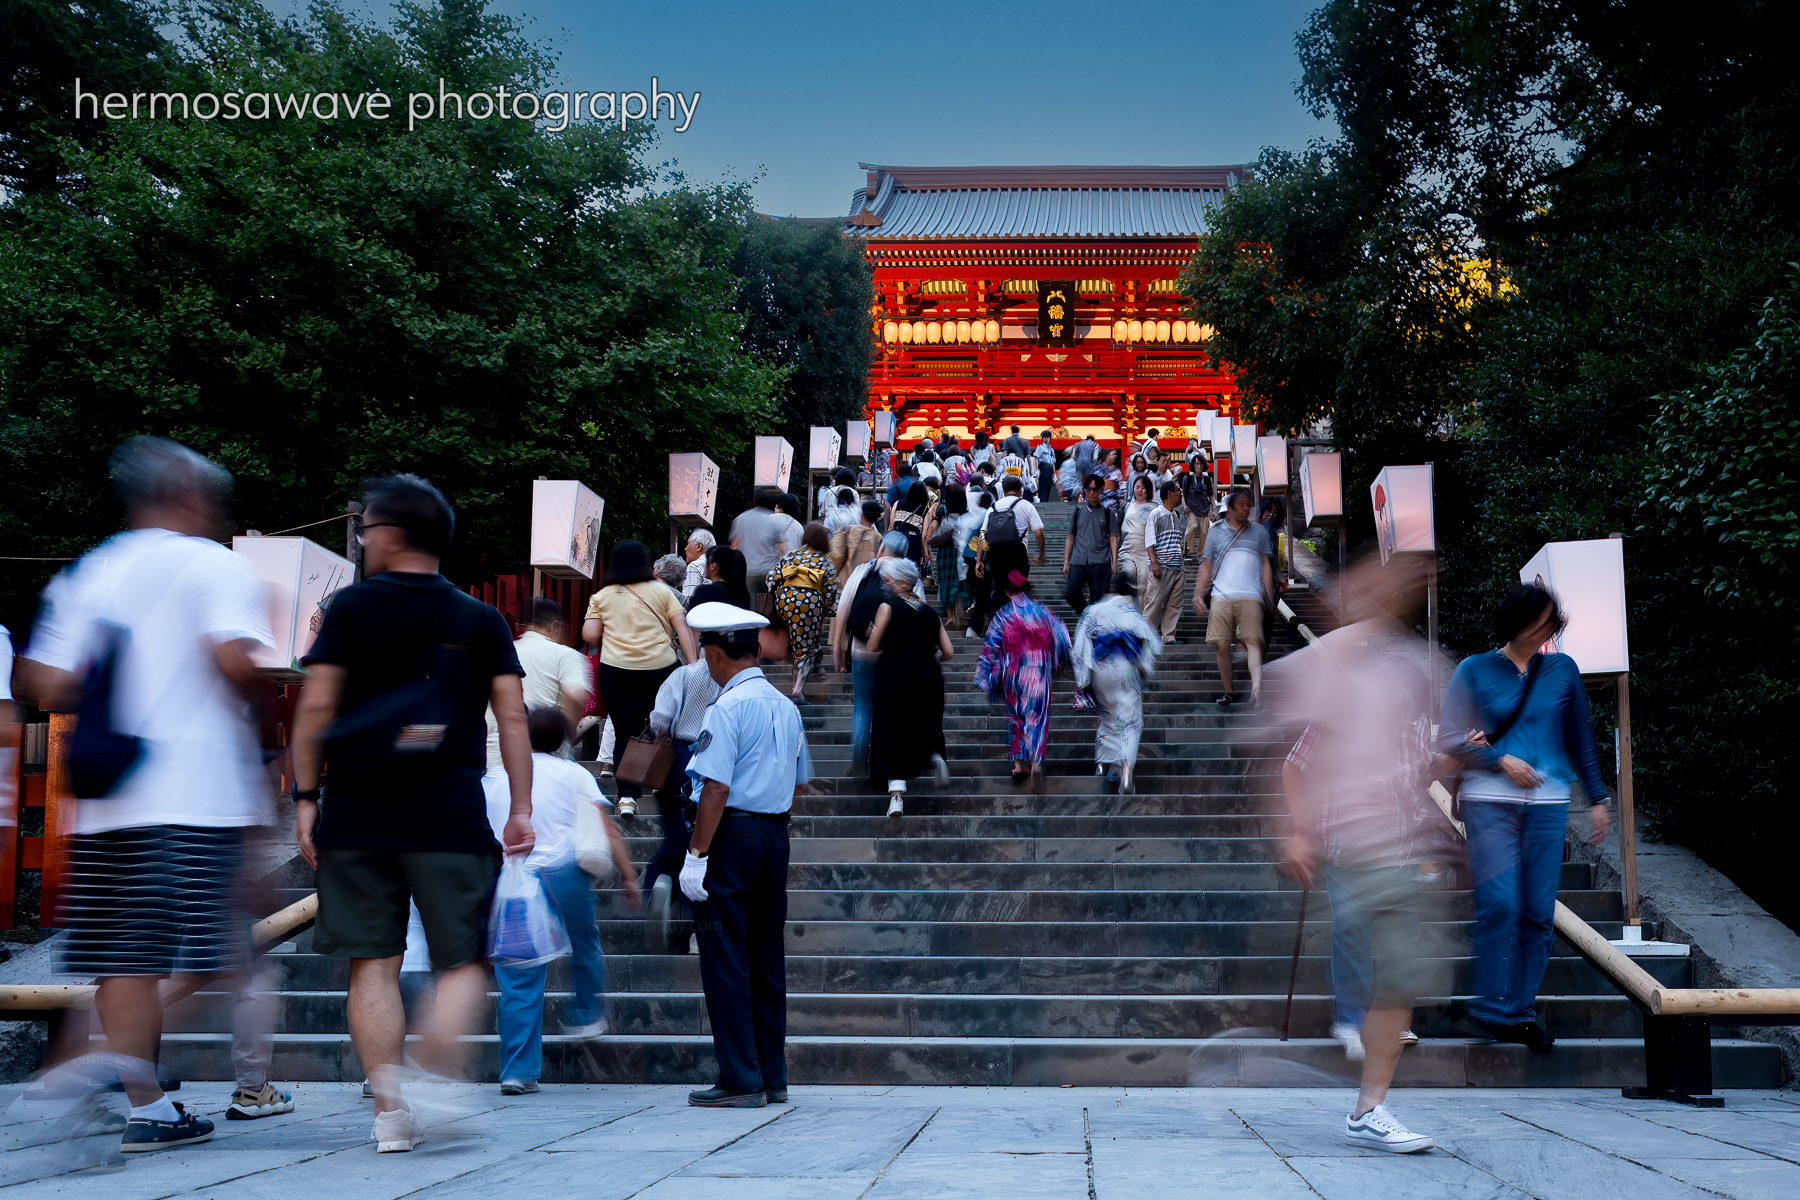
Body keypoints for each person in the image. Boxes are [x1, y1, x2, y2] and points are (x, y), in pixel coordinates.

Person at [17, 437, 288, 1154]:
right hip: (197, 793)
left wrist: (109, 682)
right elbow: (234, 661)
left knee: (126, 959)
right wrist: (277, 676)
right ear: (191, 496)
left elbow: (37, 679)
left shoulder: (94, 571)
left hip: (107, 797)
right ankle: (96, 1063)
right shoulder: (217, 567)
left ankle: (148, 1106)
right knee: (227, 952)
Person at [288, 471, 532, 1154]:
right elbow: (511, 718)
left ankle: (391, 1113)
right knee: (464, 961)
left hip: (359, 806)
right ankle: (430, 1067)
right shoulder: (479, 619)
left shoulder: (349, 611)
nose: (363, 540)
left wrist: (307, 800)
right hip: (449, 808)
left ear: (390, 535)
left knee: (373, 962)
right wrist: (521, 805)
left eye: (365, 529)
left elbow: (315, 709)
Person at [1270, 552, 1443, 1153]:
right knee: (1351, 926)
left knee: (1401, 974)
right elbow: (1295, 765)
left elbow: (1425, 773)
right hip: (1347, 842)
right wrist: (1299, 832)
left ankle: (1369, 1108)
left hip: (1402, 847)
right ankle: (1350, 1021)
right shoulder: (1343, 693)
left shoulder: (1413, 706)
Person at [1439, 582, 1611, 1050]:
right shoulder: (1474, 670)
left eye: (1552, 622)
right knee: (1500, 903)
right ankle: (1491, 1006)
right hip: (1488, 801)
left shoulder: (1562, 669)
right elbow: (1447, 739)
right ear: (1516, 622)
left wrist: (1597, 798)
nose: (1548, 630)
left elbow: (1581, 738)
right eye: (1540, 622)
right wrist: (1500, 760)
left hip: (1550, 804)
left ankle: (1517, 1011)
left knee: (1537, 914)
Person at [678, 600, 813, 1108]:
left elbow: (714, 788)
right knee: (764, 955)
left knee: (726, 955)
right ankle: (770, 1073)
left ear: (715, 655)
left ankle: (740, 1076)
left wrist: (696, 854)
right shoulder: (786, 706)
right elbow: (798, 781)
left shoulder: (727, 707)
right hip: (772, 835)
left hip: (730, 836)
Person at [487, 707, 636, 1094]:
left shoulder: (499, 779)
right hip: (563, 877)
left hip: (517, 882)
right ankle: (587, 1012)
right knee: (585, 945)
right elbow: (605, 828)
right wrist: (630, 876)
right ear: (563, 739)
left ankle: (517, 1071)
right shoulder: (574, 774)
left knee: (520, 980)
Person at [582, 539, 698, 818]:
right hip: (660, 670)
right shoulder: (661, 591)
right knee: (666, 732)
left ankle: (627, 798)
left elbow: (589, 635)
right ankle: (668, 787)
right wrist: (693, 665)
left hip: (618, 671)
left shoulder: (603, 595)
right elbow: (681, 626)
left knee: (625, 733)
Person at [643, 584, 731, 953]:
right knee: (705, 834)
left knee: (674, 826)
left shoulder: (682, 675)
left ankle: (659, 881)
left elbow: (659, 717)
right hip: (713, 756)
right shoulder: (730, 678)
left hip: (676, 757)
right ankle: (689, 908)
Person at [865, 558, 954, 818]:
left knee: (893, 732)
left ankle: (896, 798)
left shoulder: (887, 608)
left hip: (895, 675)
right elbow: (948, 652)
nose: (885, 585)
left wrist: (873, 631)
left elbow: (872, 646)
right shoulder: (928, 611)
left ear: (903, 582)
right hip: (928, 675)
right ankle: (933, 756)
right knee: (922, 724)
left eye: (888, 581)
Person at [832, 531, 922, 770]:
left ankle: (859, 761)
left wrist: (837, 646)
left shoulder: (863, 570)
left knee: (862, 705)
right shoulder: (908, 576)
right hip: (894, 653)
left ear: (881, 548)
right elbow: (918, 612)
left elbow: (843, 609)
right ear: (904, 554)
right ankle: (886, 761)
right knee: (891, 706)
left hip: (861, 650)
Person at [974, 568, 1071, 787]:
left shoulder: (1004, 615)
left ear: (1008, 592)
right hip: (1038, 672)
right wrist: (1059, 661)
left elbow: (991, 646)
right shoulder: (1042, 612)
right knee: (1037, 717)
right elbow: (1063, 637)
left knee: (1016, 717)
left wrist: (984, 675)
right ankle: (1036, 762)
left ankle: (1019, 765)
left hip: (1011, 672)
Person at [1071, 565, 1160, 795]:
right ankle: (1126, 770)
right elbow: (1150, 645)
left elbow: (1080, 644)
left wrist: (1083, 679)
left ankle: (1104, 763)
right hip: (1126, 668)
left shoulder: (1096, 610)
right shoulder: (1133, 615)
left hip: (1101, 668)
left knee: (1109, 715)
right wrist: (1145, 668)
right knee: (1130, 721)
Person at [484, 598, 590, 774]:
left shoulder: (503, 651)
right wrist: (568, 734)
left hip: (498, 744)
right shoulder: (565, 655)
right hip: (545, 748)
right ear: (555, 625)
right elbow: (575, 695)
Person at [1193, 488, 1274, 708]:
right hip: (1221, 595)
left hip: (1250, 595)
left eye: (1248, 504)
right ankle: (1229, 691)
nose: (1246, 508)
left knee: (1253, 641)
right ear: (1229, 509)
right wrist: (1198, 593)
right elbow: (1207, 564)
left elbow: (1266, 564)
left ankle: (1257, 690)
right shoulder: (1216, 532)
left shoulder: (1259, 532)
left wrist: (1269, 592)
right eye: (1241, 504)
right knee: (1222, 645)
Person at [768, 522, 841, 702]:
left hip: (785, 599)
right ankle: (797, 688)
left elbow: (770, 577)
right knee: (805, 645)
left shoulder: (791, 555)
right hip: (809, 601)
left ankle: (803, 672)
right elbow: (831, 590)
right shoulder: (825, 560)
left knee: (798, 640)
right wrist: (827, 609)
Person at [1061, 475, 1120, 616]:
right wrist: (1066, 562)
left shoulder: (1108, 513)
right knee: (1071, 591)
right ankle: (1086, 615)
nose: (1092, 493)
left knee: (1098, 600)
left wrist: (1114, 561)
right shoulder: (1078, 512)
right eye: (1088, 489)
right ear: (1084, 490)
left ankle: (1093, 628)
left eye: (1095, 489)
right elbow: (1071, 537)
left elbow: (1113, 537)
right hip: (1079, 560)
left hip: (1100, 561)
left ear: (1101, 490)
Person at [1141, 481, 1188, 643]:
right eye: (1178, 490)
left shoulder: (1176, 515)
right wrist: (1154, 563)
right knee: (1154, 602)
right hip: (1161, 566)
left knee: (1175, 605)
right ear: (1169, 494)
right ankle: (1145, 637)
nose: (1181, 493)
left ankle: (1168, 637)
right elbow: (1149, 540)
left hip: (1177, 567)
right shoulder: (1156, 513)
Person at [728, 491, 792, 611]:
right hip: (769, 570)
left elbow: (734, 546)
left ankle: (754, 627)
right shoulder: (771, 521)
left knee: (752, 604)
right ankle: (767, 627)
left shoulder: (740, 519)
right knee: (770, 604)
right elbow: (782, 549)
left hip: (749, 570)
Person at [931, 482, 968, 625]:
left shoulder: (943, 509)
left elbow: (934, 526)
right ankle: (960, 605)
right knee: (958, 578)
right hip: (961, 547)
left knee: (945, 579)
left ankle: (950, 616)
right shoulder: (966, 509)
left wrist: (928, 540)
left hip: (945, 549)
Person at [1118, 474, 1156, 596]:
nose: (1139, 490)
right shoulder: (1127, 506)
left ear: (1148, 490)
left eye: (1143, 487)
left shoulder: (1154, 508)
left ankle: (1140, 613)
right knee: (1128, 574)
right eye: (1137, 487)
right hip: (1128, 550)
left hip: (1146, 552)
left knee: (1143, 586)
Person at [831, 497, 882, 578]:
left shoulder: (846, 530)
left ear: (862, 515)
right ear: (876, 519)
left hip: (845, 582)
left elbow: (836, 556)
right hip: (865, 585)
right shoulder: (879, 538)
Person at [889, 481, 935, 566]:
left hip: (895, 542)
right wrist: (925, 552)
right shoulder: (924, 510)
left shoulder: (897, 503)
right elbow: (924, 535)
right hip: (913, 545)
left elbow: (891, 526)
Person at [1181, 467, 1214, 560]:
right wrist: (1184, 506)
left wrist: (1213, 510)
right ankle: (1187, 552)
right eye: (1196, 463)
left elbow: (1211, 495)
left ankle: (1201, 555)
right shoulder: (1188, 478)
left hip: (1204, 509)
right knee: (1191, 529)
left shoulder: (1207, 479)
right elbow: (1183, 494)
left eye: (1200, 463)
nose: (1199, 466)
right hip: (1191, 509)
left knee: (1204, 532)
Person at [681, 530, 716, 599]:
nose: (685, 549)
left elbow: (689, 600)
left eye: (688, 543)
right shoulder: (719, 566)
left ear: (699, 546)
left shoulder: (694, 566)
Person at [1033, 431, 1059, 501]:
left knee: (1049, 486)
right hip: (1043, 467)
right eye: (1045, 437)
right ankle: (1043, 501)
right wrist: (1037, 469)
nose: (1047, 439)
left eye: (1048, 437)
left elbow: (1053, 462)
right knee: (1043, 486)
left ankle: (1046, 501)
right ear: (1042, 438)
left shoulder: (1051, 450)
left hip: (1050, 468)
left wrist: (1054, 474)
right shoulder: (1040, 447)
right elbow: (1036, 458)